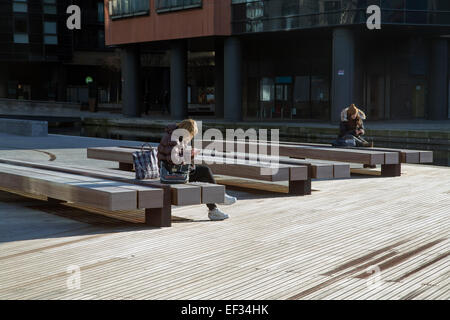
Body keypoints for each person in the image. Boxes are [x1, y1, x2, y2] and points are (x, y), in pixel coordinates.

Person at [157, 119, 236, 221]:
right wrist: (190, 155)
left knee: (203, 176)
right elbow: (173, 160)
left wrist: (189, 156)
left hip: (173, 171)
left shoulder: (175, 136)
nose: (191, 137)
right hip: (171, 174)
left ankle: (215, 208)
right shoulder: (174, 139)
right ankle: (219, 199)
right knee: (205, 171)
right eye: (191, 134)